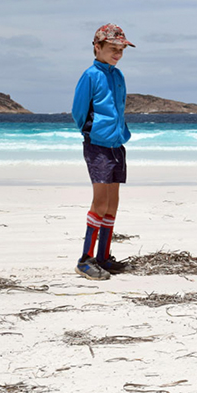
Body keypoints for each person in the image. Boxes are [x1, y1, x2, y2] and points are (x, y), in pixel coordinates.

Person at [71, 23, 135, 280]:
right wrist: (91, 131)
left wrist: (119, 133)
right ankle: (85, 259)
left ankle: (103, 257)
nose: (118, 53)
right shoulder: (90, 75)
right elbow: (78, 110)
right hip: (97, 145)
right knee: (99, 202)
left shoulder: (118, 76)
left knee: (113, 203)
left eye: (121, 49)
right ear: (97, 47)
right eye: (112, 48)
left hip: (117, 146)